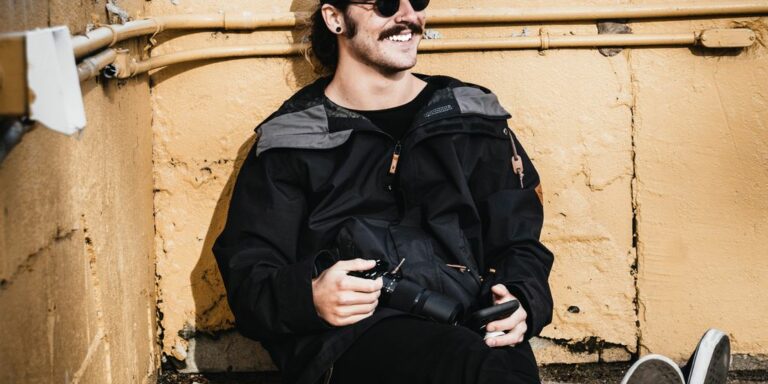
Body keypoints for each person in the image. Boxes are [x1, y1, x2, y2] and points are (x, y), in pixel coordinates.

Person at [212, 1, 731, 383]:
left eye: (418, 1)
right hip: (352, 339)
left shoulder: (471, 117)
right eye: (387, 3)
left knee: (493, 361)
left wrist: (522, 299)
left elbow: (520, 241)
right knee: (474, 368)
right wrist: (309, 295)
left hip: (472, 317)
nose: (409, 15)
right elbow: (249, 267)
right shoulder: (291, 139)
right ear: (335, 18)